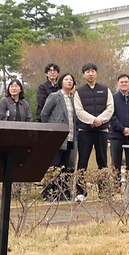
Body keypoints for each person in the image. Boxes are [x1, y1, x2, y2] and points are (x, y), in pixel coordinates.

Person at [73, 63, 114, 195]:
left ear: (96, 73)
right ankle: (80, 192)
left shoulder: (105, 90)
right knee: (82, 161)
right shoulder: (79, 92)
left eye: (92, 71)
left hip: (101, 131)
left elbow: (110, 108)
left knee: (102, 161)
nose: (90, 74)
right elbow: (79, 111)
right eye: (87, 72)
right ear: (83, 75)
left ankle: (103, 191)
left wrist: (99, 120)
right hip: (85, 131)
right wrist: (92, 120)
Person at [39, 72, 78, 201]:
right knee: (54, 166)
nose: (69, 81)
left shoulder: (72, 99)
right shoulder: (55, 96)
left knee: (65, 166)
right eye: (66, 79)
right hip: (57, 137)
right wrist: (52, 131)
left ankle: (62, 192)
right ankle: (48, 192)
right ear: (61, 82)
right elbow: (44, 114)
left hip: (70, 137)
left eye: (71, 80)